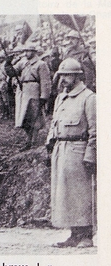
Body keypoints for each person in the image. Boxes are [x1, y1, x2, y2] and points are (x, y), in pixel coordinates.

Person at [45, 58, 96, 248]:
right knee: (65, 193)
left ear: (77, 76)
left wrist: (90, 155)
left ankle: (86, 235)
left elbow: (95, 131)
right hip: (61, 149)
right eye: (61, 75)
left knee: (81, 193)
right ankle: (74, 234)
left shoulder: (89, 98)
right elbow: (54, 123)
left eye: (67, 75)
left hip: (78, 150)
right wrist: (49, 145)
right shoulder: (61, 98)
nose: (63, 79)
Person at [6, 43, 51, 151]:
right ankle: (28, 139)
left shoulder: (41, 64)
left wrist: (44, 96)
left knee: (34, 116)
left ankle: (33, 141)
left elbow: (45, 82)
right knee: (24, 117)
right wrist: (8, 63)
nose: (25, 53)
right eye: (24, 51)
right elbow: (12, 72)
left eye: (28, 51)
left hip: (34, 91)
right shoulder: (23, 63)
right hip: (23, 92)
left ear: (34, 52)